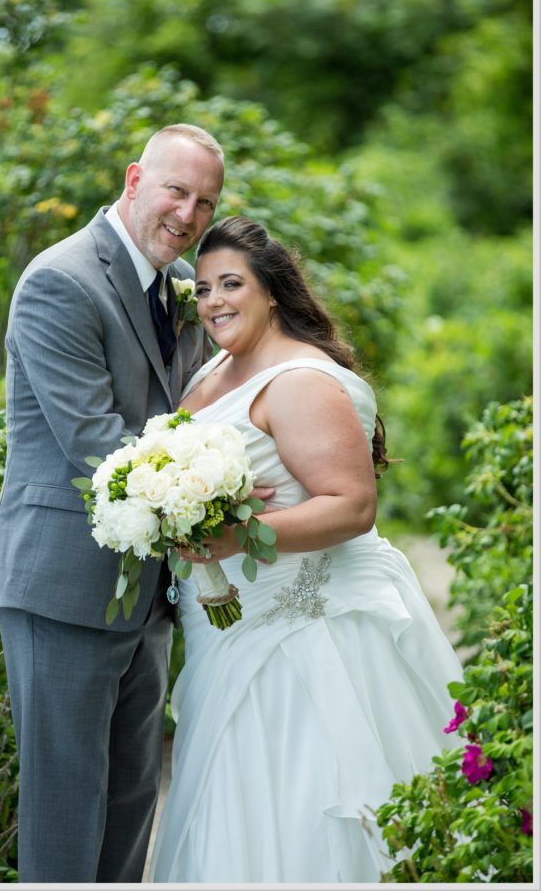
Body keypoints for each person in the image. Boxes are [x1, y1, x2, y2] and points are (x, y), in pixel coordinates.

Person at [149, 216, 464, 884]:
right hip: (225, 630)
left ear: (271, 291)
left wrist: (229, 536)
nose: (214, 303)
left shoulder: (298, 378)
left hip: (305, 633)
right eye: (202, 290)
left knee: (307, 806)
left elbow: (351, 505)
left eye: (231, 284)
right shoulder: (219, 368)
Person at [0, 124, 226, 882]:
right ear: (135, 178)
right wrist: (212, 501)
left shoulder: (176, 294)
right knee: (66, 809)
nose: (188, 213)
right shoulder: (61, 280)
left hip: (144, 595)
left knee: (130, 803)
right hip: (63, 587)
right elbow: (96, 446)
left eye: (205, 202)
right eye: (177, 190)